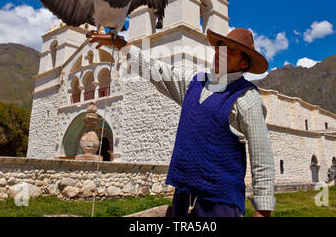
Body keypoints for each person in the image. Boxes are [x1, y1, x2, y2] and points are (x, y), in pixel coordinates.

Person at [89, 27, 275, 217]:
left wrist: (263, 210)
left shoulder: (247, 97)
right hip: (182, 199)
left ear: (244, 63)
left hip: (220, 205)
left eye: (231, 51)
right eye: (221, 47)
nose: (221, 53)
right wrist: (120, 44)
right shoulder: (195, 82)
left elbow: (262, 155)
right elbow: (156, 70)